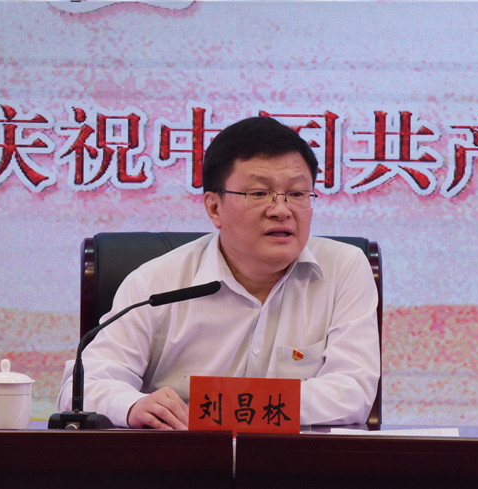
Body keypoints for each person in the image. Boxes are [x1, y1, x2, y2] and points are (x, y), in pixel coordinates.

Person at [57, 116, 380, 429]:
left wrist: (225, 407)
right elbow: (82, 389)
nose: (282, 210)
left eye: (297, 194)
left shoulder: (344, 268)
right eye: (258, 194)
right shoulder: (155, 284)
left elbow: (353, 391)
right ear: (214, 207)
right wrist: (133, 406)